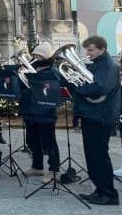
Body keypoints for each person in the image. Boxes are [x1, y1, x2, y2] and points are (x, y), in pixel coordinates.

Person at [70, 36, 121, 206]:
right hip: (93, 114)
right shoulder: (98, 64)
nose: (87, 53)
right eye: (87, 50)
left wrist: (77, 88)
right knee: (92, 156)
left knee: (99, 156)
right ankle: (100, 190)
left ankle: (109, 194)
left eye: (90, 50)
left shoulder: (108, 65)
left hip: (101, 116)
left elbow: (100, 87)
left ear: (102, 49)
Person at [19, 42, 60, 178]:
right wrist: (21, 76)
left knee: (49, 142)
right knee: (33, 140)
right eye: (35, 54)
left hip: (45, 111)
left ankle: (54, 170)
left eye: (39, 55)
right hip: (31, 110)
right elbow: (23, 88)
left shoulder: (53, 71)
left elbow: (55, 89)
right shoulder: (30, 69)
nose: (36, 57)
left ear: (46, 57)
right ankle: (37, 167)